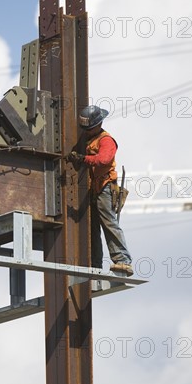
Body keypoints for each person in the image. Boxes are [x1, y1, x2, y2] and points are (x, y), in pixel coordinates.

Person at [67, 105, 133, 276]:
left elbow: (104, 160)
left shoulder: (106, 140)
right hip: (94, 189)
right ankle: (95, 265)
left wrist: (83, 158)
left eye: (89, 128)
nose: (87, 132)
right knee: (93, 228)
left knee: (109, 222)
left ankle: (123, 260)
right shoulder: (90, 139)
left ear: (98, 124)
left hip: (105, 187)